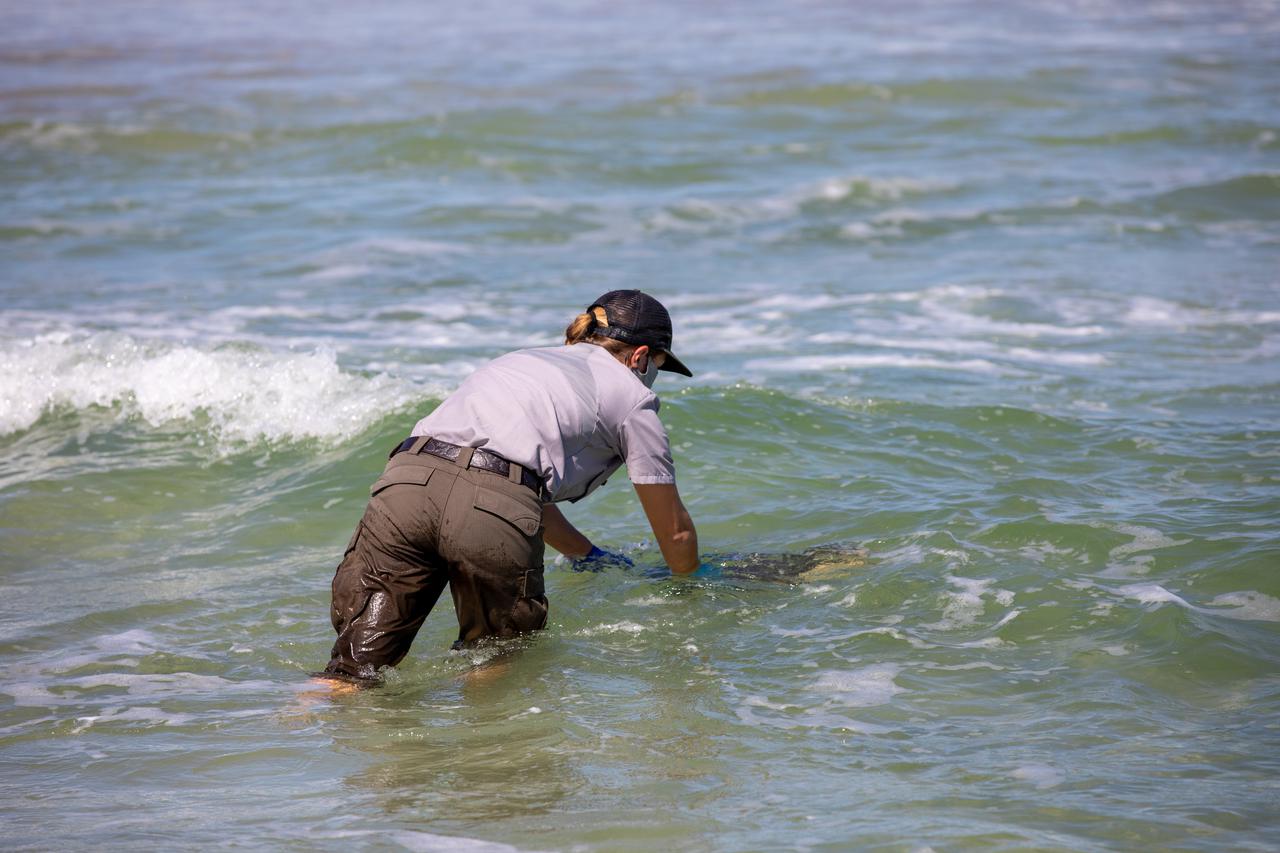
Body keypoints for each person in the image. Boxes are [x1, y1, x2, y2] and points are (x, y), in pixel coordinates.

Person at [317, 289, 700, 685]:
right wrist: (691, 582)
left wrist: (588, 554)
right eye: (656, 365)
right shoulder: (634, 399)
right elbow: (675, 530)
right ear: (639, 356)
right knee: (496, 663)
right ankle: (488, 746)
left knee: (351, 671)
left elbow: (508, 483)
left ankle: (301, 721)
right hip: (491, 509)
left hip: (404, 484)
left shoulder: (521, 359)